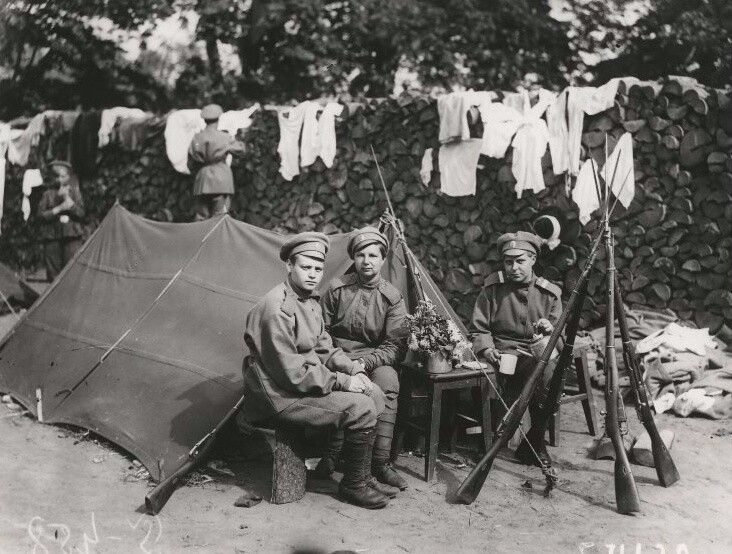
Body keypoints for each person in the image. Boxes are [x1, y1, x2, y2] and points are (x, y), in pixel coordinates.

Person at [240, 232, 392, 509]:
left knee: (376, 394)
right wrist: (342, 382)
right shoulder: (278, 309)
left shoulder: (308, 300)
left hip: (300, 383)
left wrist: (354, 370)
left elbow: (325, 348)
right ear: (289, 266)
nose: (313, 274)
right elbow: (292, 373)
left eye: (318, 268)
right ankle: (352, 486)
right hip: (279, 394)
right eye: (305, 267)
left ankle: (362, 474)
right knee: (362, 409)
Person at [315, 227, 409, 491]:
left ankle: (380, 462)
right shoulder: (336, 290)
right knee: (342, 384)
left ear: (382, 259)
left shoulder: (392, 297)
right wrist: (341, 362)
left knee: (388, 382)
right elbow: (321, 332)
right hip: (336, 355)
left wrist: (366, 364)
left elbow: (395, 345)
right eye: (360, 255)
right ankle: (332, 454)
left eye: (372, 255)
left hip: (373, 359)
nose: (366, 261)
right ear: (353, 259)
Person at [470, 231, 563, 467]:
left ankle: (535, 442)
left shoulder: (549, 294)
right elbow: (479, 329)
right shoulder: (492, 289)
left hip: (532, 354)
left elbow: (559, 339)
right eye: (508, 261)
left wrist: (549, 330)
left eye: (520, 261)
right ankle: (488, 437)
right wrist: (487, 348)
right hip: (499, 352)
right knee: (486, 377)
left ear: (533, 260)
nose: (513, 267)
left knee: (548, 374)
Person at [187, 104, 246, 221]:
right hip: (222, 180)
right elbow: (241, 150)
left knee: (200, 218)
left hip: (202, 180)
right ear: (218, 119)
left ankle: (200, 239)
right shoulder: (225, 137)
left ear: (204, 120)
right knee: (220, 219)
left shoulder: (196, 138)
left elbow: (190, 163)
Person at [36, 160, 86, 281]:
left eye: (62, 176)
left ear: (68, 177)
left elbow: (82, 213)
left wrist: (70, 203)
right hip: (52, 235)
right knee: (53, 271)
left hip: (72, 235)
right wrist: (59, 209)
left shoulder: (74, 192)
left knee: (71, 269)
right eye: (56, 176)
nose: (59, 179)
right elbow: (40, 216)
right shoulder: (48, 194)